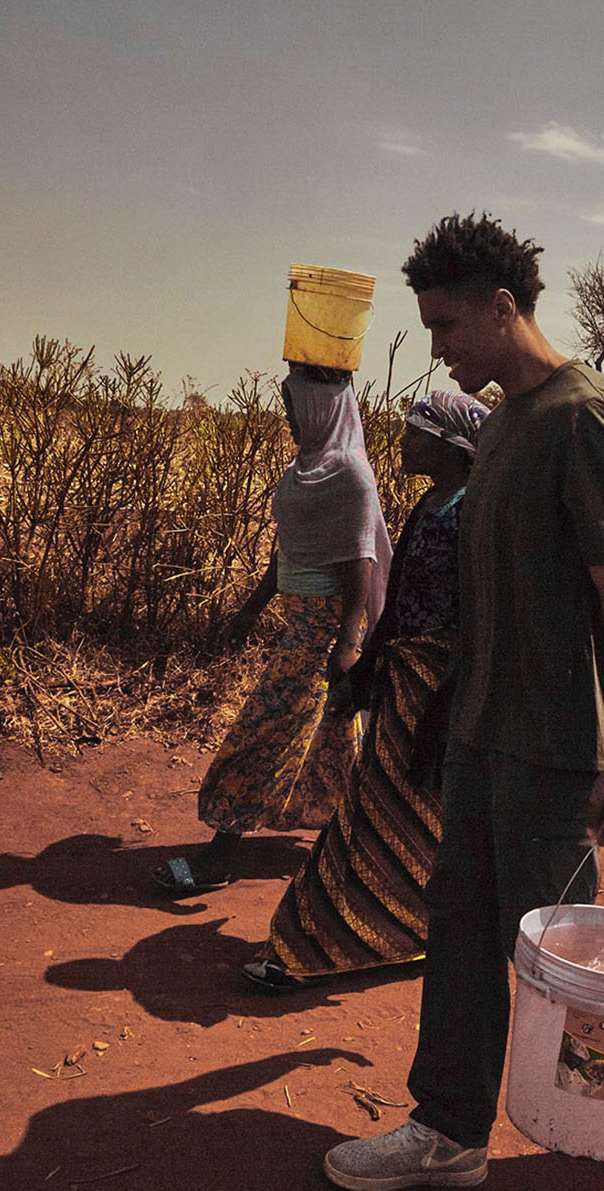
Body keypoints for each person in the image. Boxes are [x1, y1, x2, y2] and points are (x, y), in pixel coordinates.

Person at [323, 213, 604, 1191]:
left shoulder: (582, 417)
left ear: (503, 308)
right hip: (479, 729)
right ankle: (448, 1129)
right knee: (461, 918)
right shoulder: (505, 418)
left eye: (446, 324)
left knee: (553, 943)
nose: (435, 346)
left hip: (554, 743)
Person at [241, 390, 488, 991]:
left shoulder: (469, 514)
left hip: (438, 691)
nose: (403, 441)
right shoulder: (432, 504)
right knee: (379, 812)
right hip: (405, 682)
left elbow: (479, 618)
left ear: (453, 447)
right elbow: (398, 593)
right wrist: (366, 669)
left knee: (394, 816)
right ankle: (344, 937)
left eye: (417, 433)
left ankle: (333, 943)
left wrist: (444, 700)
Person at [156, 364, 391, 893]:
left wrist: (347, 644)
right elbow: (286, 548)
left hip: (322, 636)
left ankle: (221, 856)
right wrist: (252, 607)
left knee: (261, 733)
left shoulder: (351, 473)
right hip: (299, 629)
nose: (287, 415)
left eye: (294, 405)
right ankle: (358, 856)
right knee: (335, 743)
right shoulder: (305, 468)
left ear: (322, 411)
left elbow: (361, 562)